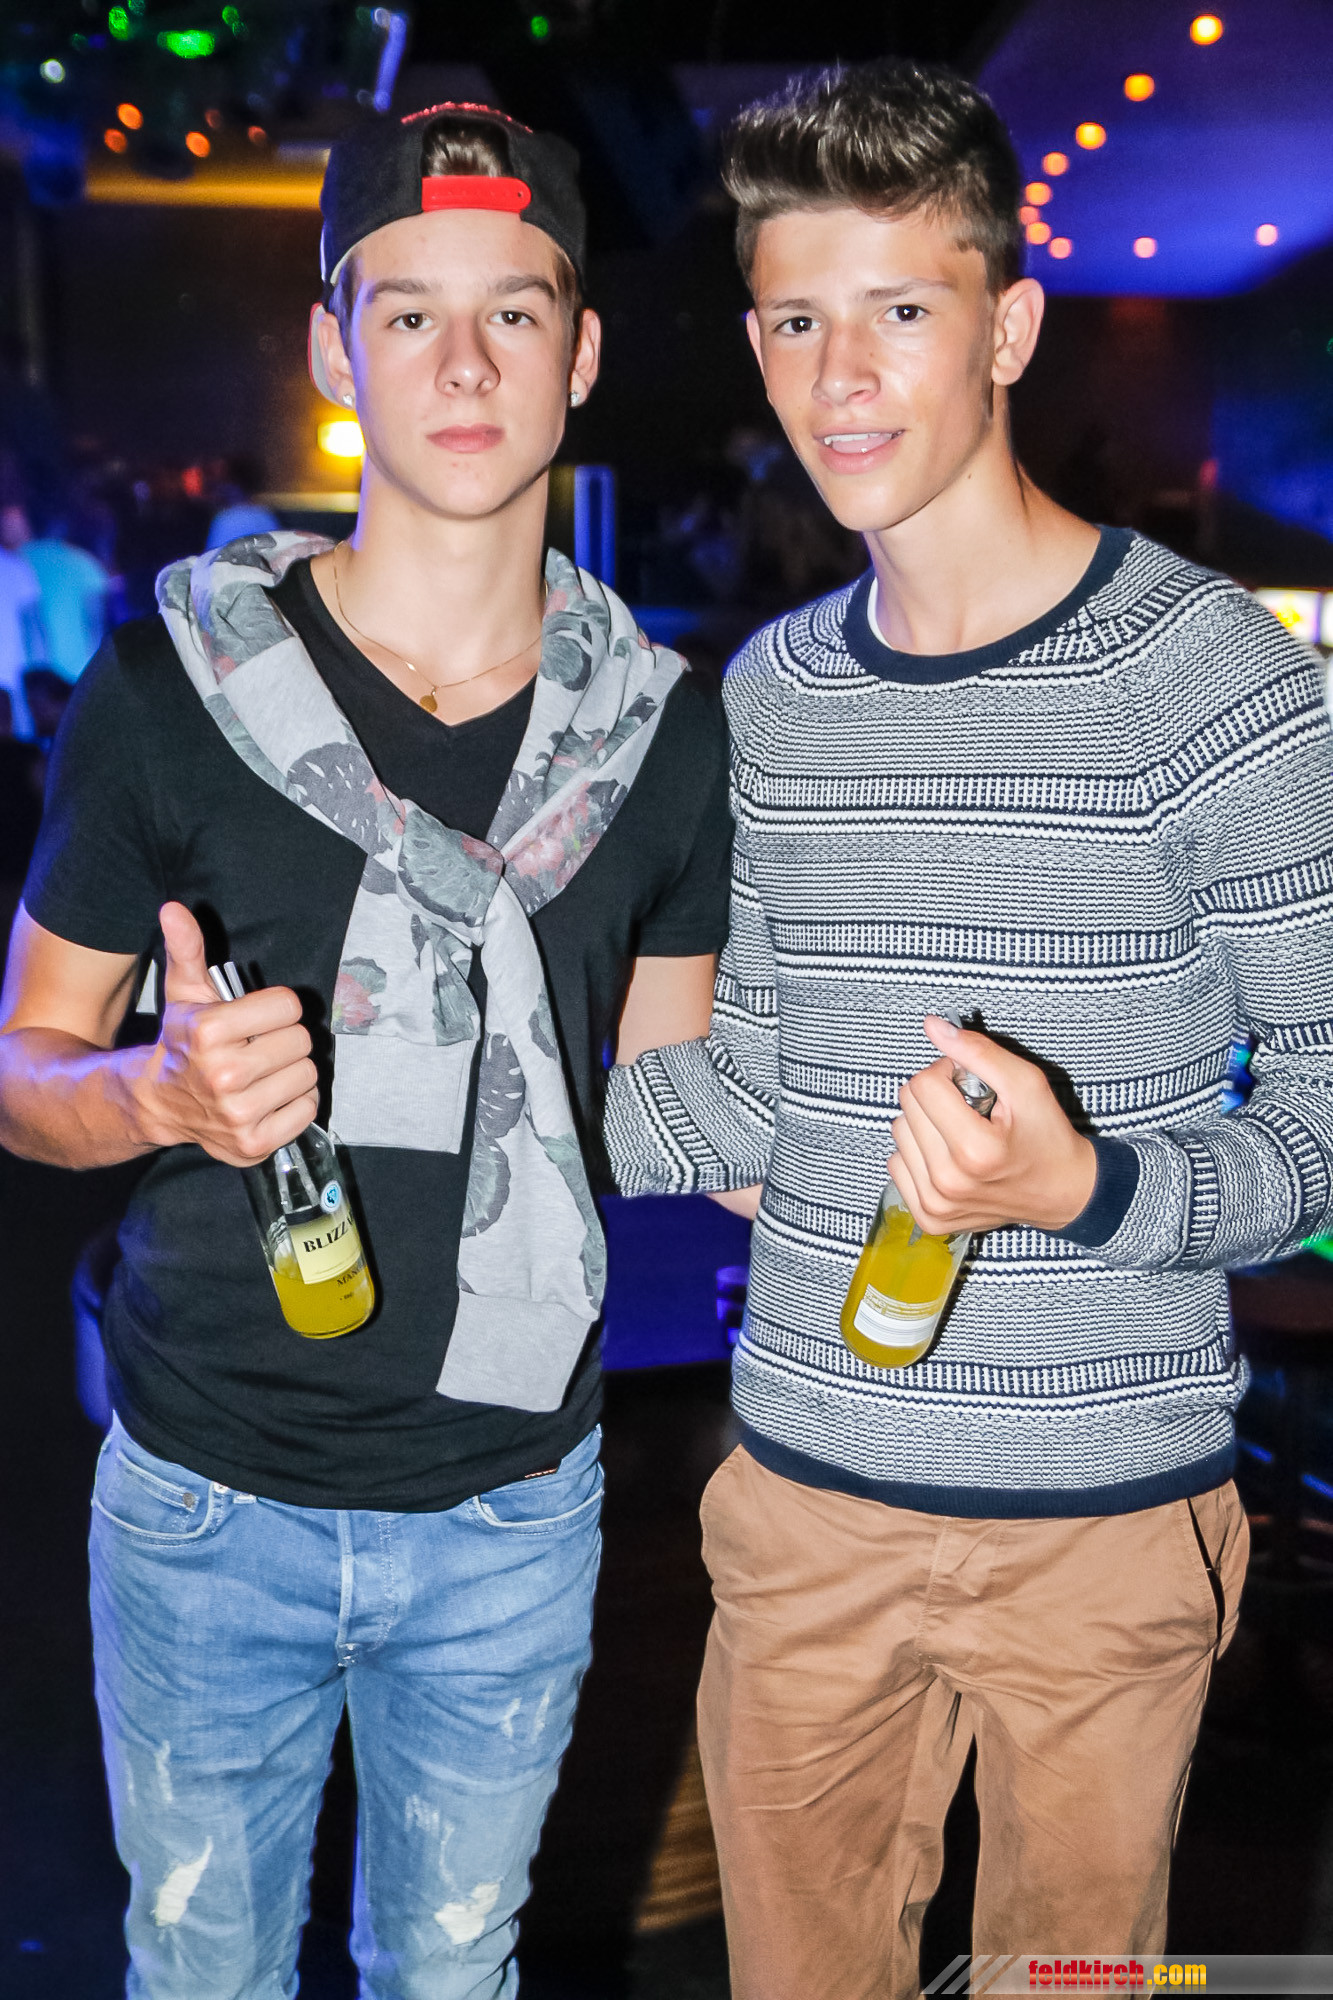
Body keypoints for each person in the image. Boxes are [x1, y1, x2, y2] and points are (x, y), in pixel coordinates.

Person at [604, 60, 1333, 1997]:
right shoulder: (770, 696)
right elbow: (749, 1098)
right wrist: (447, 1073)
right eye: (795, 321)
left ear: (1006, 326)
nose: (840, 378)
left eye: (899, 312)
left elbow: (1322, 1132)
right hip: (803, 1511)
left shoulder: (1219, 684)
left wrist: (1080, 1186)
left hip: (1097, 1536)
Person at [0, 103, 730, 1997]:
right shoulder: (168, 693)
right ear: (336, 351)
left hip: (511, 1506)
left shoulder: (665, 738)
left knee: (453, 1979)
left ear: (581, 352)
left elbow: (675, 1115)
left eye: (514, 312)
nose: (463, 362)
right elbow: (26, 1065)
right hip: (207, 1495)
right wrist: (156, 1092)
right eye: (408, 313)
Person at [17, 505, 112, 681]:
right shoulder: (85, 563)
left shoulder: (15, 560)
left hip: (32, 679)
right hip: (81, 672)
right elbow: (97, 622)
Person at [0, 504, 46, 736]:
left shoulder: (17, 567)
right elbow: (34, 628)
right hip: (14, 678)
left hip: (14, 677)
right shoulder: (16, 567)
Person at [204, 454, 281, 549]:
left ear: (234, 484)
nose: (217, 487)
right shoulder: (266, 517)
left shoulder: (227, 521)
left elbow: (216, 556)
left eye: (221, 480)